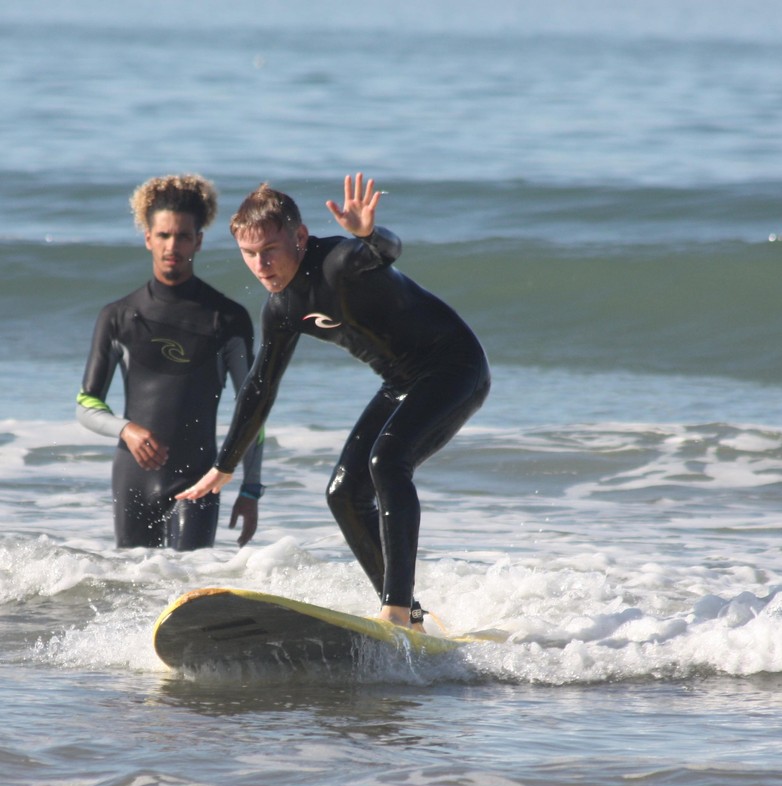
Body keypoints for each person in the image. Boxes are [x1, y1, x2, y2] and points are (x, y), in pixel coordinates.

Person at [176, 172, 490, 630]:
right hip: (400, 382)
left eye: (270, 250)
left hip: (455, 368)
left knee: (388, 462)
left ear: (300, 237)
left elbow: (386, 252)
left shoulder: (339, 262)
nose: (261, 264)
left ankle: (396, 611)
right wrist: (226, 464)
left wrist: (369, 233)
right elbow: (261, 385)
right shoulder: (281, 309)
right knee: (344, 494)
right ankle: (412, 616)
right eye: (249, 253)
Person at [77, 174, 265, 550]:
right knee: (131, 581)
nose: (172, 246)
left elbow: (252, 409)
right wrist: (127, 430)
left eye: (182, 236)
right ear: (148, 238)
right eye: (163, 235)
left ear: (198, 240)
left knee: (190, 579)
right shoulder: (118, 316)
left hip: (198, 479)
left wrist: (250, 489)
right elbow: (86, 403)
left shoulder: (227, 318)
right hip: (133, 478)